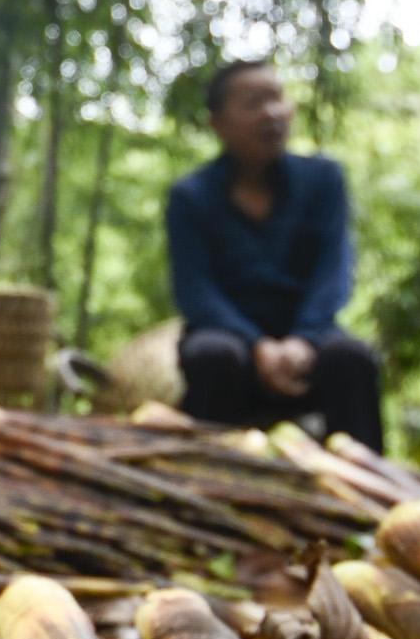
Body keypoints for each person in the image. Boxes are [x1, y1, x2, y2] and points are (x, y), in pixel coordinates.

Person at [163, 58, 385, 446]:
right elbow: (195, 292)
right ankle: (208, 483)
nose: (272, 113)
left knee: (352, 358)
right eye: (253, 103)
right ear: (218, 123)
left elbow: (332, 271)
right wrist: (256, 345)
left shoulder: (323, 180)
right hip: (229, 340)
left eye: (277, 98)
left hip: (308, 339)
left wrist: (303, 339)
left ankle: (364, 489)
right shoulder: (190, 197)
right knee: (212, 356)